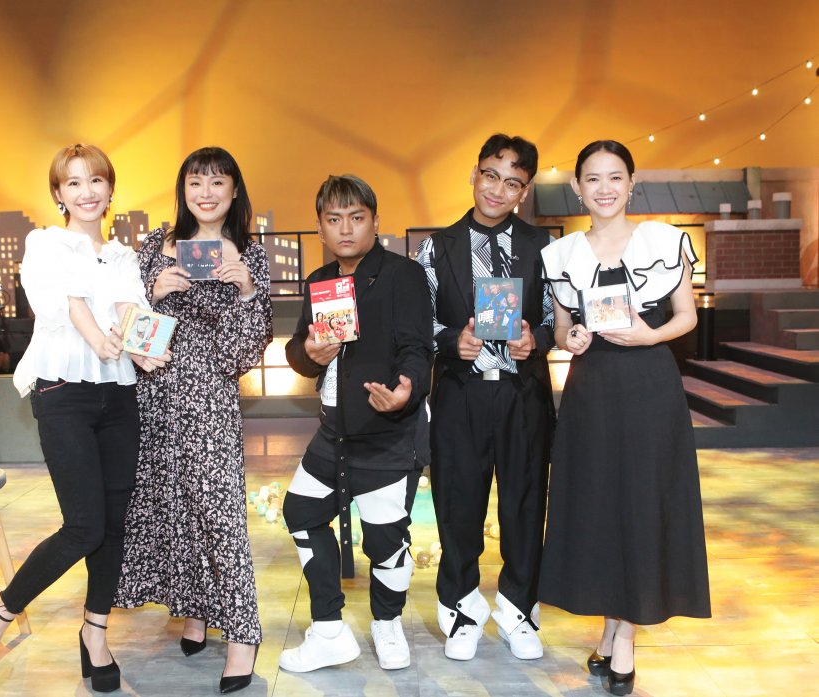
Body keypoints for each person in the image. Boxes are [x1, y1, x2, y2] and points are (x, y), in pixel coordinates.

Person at [0, 144, 166, 692]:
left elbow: (128, 310)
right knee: (83, 526)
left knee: (112, 525)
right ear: (59, 194)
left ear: (111, 189)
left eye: (96, 181)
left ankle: (95, 633)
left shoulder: (123, 256)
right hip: (63, 391)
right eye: (74, 183)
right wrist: (100, 341)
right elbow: (67, 303)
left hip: (118, 396)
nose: (87, 192)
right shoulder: (45, 243)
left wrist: (143, 349)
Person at [539, 140, 711, 696]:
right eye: (593, 178)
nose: (605, 188)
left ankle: (626, 640)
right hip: (591, 389)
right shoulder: (561, 254)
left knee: (641, 502)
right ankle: (612, 628)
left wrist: (649, 336)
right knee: (599, 505)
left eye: (615, 177)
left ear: (632, 183)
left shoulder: (663, 241)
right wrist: (571, 338)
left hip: (650, 386)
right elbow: (560, 328)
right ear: (577, 187)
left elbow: (686, 316)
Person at [114, 146, 271, 694]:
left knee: (219, 514)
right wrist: (152, 294)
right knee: (171, 507)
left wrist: (245, 289)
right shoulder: (154, 247)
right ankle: (194, 611)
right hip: (153, 395)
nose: (206, 193)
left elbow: (244, 351)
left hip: (209, 398)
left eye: (217, 182)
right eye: (196, 182)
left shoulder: (250, 254)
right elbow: (128, 326)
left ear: (234, 191)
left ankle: (243, 635)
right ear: (183, 190)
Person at [281, 175, 433, 673]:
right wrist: (310, 352)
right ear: (320, 228)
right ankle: (328, 629)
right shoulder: (320, 280)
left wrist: (407, 389)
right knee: (302, 511)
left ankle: (387, 623)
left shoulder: (402, 275)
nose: (345, 228)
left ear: (374, 221)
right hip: (333, 433)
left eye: (356, 217)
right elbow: (297, 350)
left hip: (387, 433)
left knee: (385, 540)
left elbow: (417, 348)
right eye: (334, 219)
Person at [415, 133, 555, 662]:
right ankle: (461, 610)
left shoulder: (543, 247)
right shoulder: (437, 247)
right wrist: (453, 341)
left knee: (525, 504)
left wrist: (536, 339)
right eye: (491, 176)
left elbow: (558, 317)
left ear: (524, 190)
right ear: (474, 175)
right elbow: (418, 322)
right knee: (458, 504)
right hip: (460, 393)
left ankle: (519, 610)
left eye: (512, 183)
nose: (498, 189)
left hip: (522, 395)